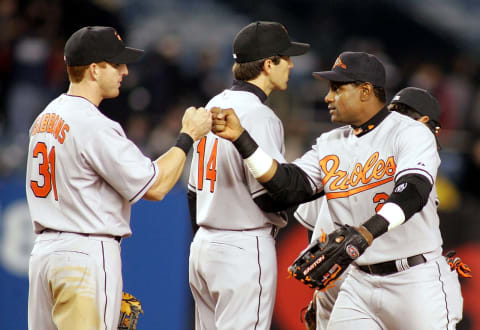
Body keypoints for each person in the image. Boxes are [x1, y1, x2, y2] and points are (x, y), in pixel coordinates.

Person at [212, 51, 463, 329]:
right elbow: (287, 188)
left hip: (415, 279)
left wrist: (367, 232)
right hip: (358, 282)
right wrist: (242, 139)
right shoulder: (329, 143)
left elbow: (412, 192)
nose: (327, 98)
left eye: (337, 89)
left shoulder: (409, 132)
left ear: (366, 91)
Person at [25, 26, 212, 330]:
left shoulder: (46, 116)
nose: (125, 71)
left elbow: (148, 172)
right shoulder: (94, 124)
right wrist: (188, 136)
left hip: (45, 256)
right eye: (116, 64)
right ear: (94, 69)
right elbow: (157, 186)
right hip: (84, 255)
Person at [296, 86, 452, 330]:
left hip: (341, 272)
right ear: (423, 124)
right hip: (361, 276)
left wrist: (321, 286)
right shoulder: (412, 162)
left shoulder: (341, 155)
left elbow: (312, 224)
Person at [187, 21, 310, 329]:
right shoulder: (259, 115)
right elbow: (269, 195)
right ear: (269, 64)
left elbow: (192, 194)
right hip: (243, 246)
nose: (292, 65)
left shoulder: (213, 104)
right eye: (286, 58)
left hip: (203, 245)